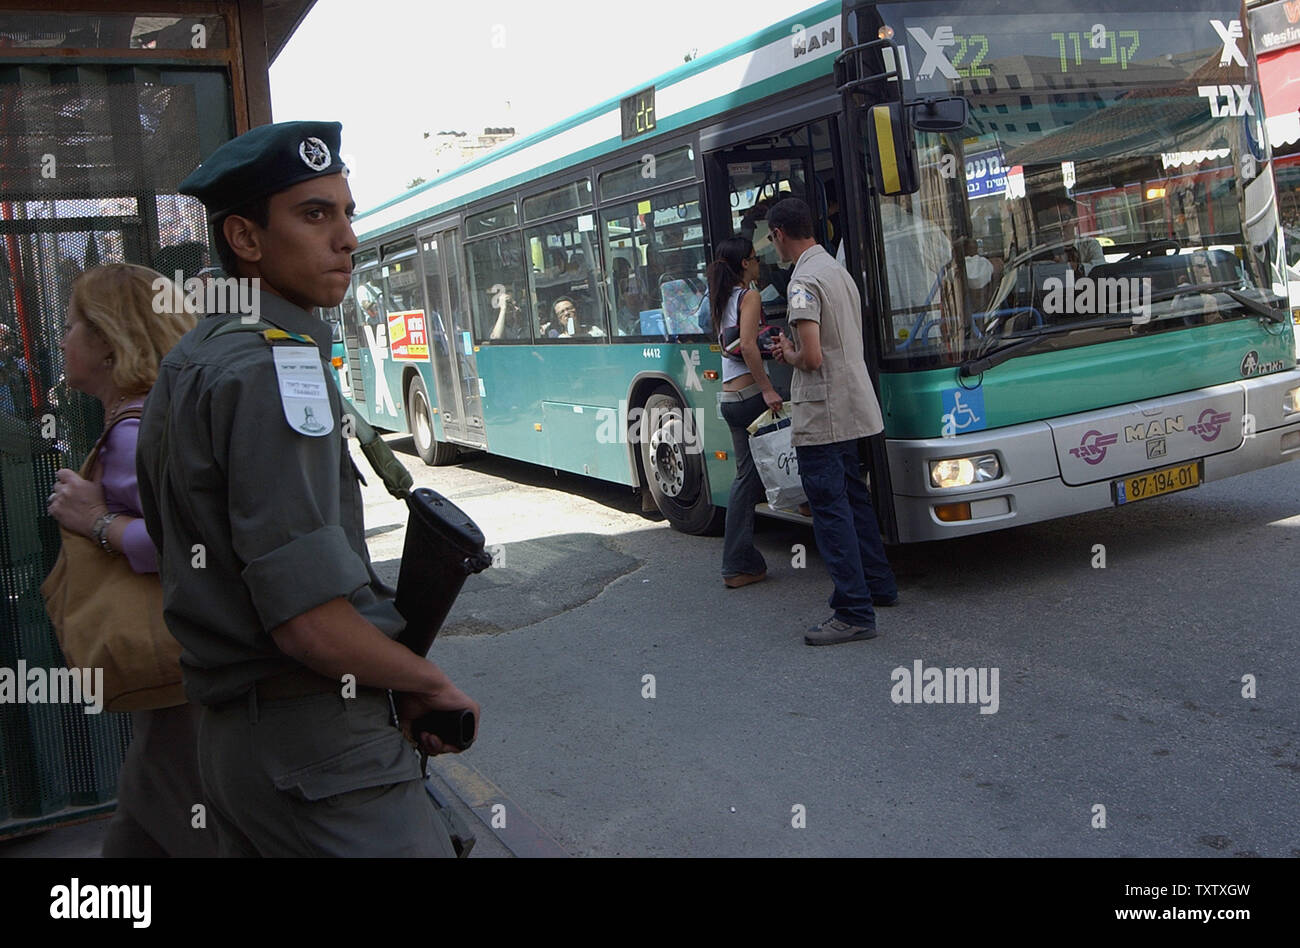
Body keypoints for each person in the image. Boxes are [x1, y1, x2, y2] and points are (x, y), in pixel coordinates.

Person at [135, 120, 479, 856]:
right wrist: (427, 682)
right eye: (316, 215)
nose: (347, 238)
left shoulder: (197, 355)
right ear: (246, 239)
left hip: (240, 744)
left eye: (348, 213)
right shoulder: (272, 367)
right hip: (319, 749)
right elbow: (309, 622)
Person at [44, 263, 211, 856]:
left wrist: (97, 523)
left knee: (185, 823)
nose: (60, 340)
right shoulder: (160, 414)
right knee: (145, 819)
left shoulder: (133, 433)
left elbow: (191, 547)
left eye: (71, 326)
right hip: (182, 667)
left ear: (112, 344)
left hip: (176, 668)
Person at [768, 197, 898, 646]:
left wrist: (787, 354)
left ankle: (853, 611)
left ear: (780, 234)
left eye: (772, 238)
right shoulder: (836, 270)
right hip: (855, 405)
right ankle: (878, 585)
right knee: (856, 500)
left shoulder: (802, 281)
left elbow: (812, 356)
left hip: (822, 412)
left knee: (829, 509)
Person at [709, 236, 782, 589]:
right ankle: (736, 561)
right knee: (751, 478)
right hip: (750, 395)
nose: (757, 263)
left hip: (729, 398)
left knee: (745, 477)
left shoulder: (722, 299)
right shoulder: (749, 296)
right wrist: (768, 388)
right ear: (743, 265)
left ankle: (740, 561)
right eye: (753, 259)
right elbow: (749, 346)